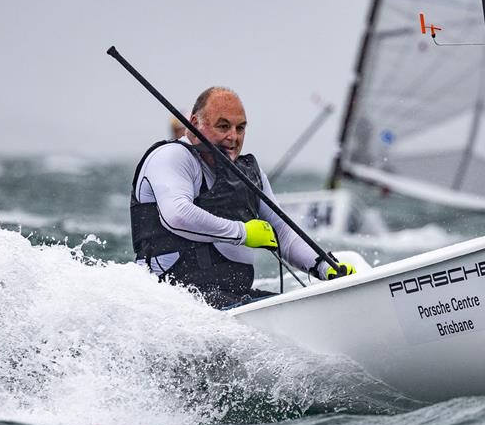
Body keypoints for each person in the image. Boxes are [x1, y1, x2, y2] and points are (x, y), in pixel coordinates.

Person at [131, 86, 355, 308]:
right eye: (223, 126)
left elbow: (283, 233)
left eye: (240, 128)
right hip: (177, 300)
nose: (233, 137)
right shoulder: (172, 156)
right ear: (195, 122)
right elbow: (176, 215)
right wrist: (243, 232)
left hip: (230, 297)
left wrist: (324, 267)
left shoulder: (248, 174)